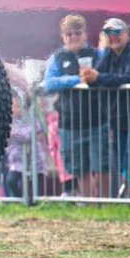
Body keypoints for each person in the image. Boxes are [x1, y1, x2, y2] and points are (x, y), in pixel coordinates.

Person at [81, 18, 130, 198]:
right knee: (127, 165)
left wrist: (98, 78)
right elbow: (97, 77)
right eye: (108, 33)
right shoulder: (108, 54)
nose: (113, 37)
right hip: (120, 120)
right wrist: (90, 78)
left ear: (126, 33)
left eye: (117, 32)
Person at [43, 14, 106, 198]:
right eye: (69, 34)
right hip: (70, 123)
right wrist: (77, 80)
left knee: (102, 166)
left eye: (77, 33)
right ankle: (89, 205)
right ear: (63, 37)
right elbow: (49, 83)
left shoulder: (98, 55)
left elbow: (109, 74)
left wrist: (95, 77)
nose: (73, 37)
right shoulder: (57, 58)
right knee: (80, 169)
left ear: (85, 34)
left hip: (98, 121)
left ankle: (106, 205)